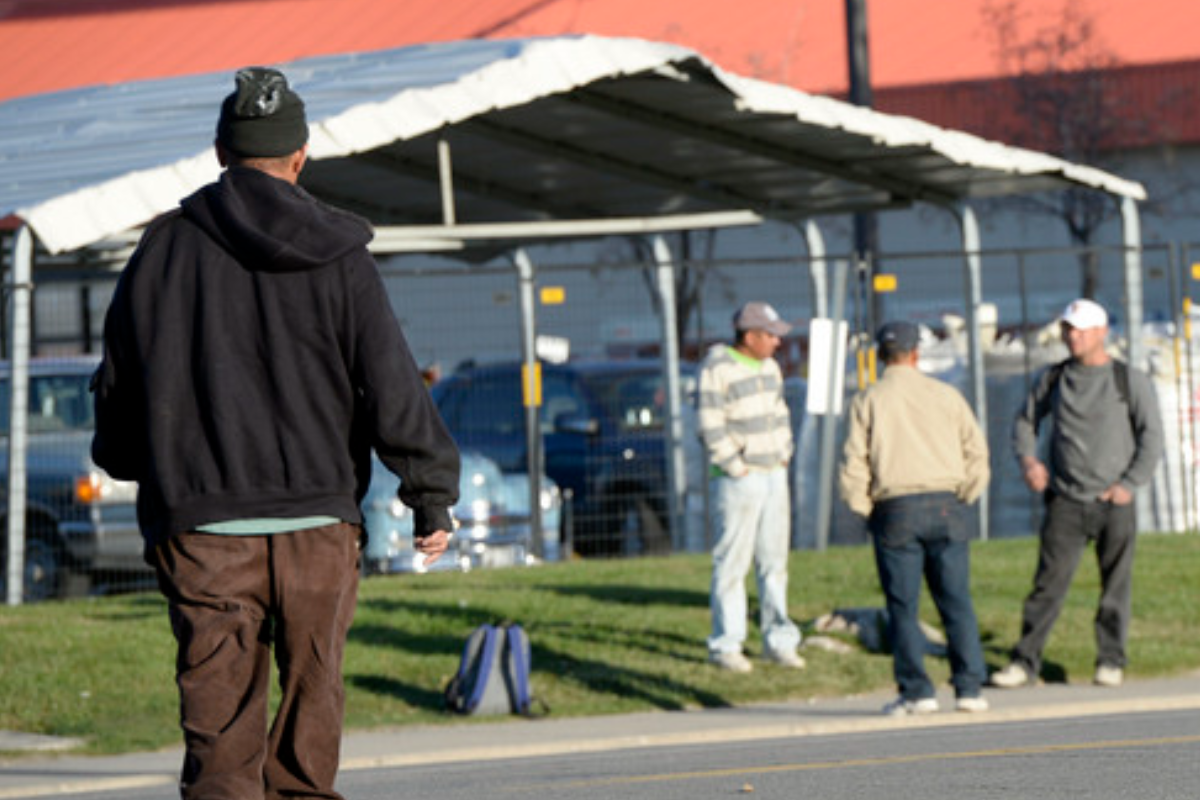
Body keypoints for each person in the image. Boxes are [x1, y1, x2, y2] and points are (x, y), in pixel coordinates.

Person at [91, 67, 461, 800]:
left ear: (220, 152)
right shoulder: (342, 256)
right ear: (300, 156)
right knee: (310, 713)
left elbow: (118, 391)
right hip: (319, 526)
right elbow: (390, 381)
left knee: (221, 741)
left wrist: (137, 461)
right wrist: (429, 494)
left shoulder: (160, 253)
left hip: (202, 529)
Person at [992, 298, 1163, 689]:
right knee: (1047, 586)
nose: (1072, 336)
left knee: (1115, 586)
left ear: (1101, 333)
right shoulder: (1053, 378)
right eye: (1068, 329)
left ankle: (1110, 660)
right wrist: (1030, 462)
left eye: (1081, 329)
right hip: (1065, 501)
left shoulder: (1127, 380)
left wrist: (1129, 484)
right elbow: (1025, 420)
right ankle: (1025, 662)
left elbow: (1151, 437)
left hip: (1113, 502)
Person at [839, 321, 991, 716]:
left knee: (903, 606)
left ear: (879, 355)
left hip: (896, 507)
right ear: (916, 354)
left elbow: (854, 462)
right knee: (956, 600)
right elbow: (976, 451)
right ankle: (969, 687)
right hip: (946, 503)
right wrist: (967, 493)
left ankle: (916, 690)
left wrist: (864, 507)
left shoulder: (868, 400)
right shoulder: (946, 395)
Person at [699, 301, 804, 672]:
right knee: (733, 562)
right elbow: (710, 423)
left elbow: (780, 413)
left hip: (774, 471)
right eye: (770, 335)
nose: (777, 342)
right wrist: (734, 464)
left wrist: (785, 451)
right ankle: (727, 643)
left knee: (774, 561)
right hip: (739, 480)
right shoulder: (717, 368)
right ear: (750, 336)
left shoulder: (770, 368)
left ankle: (779, 640)